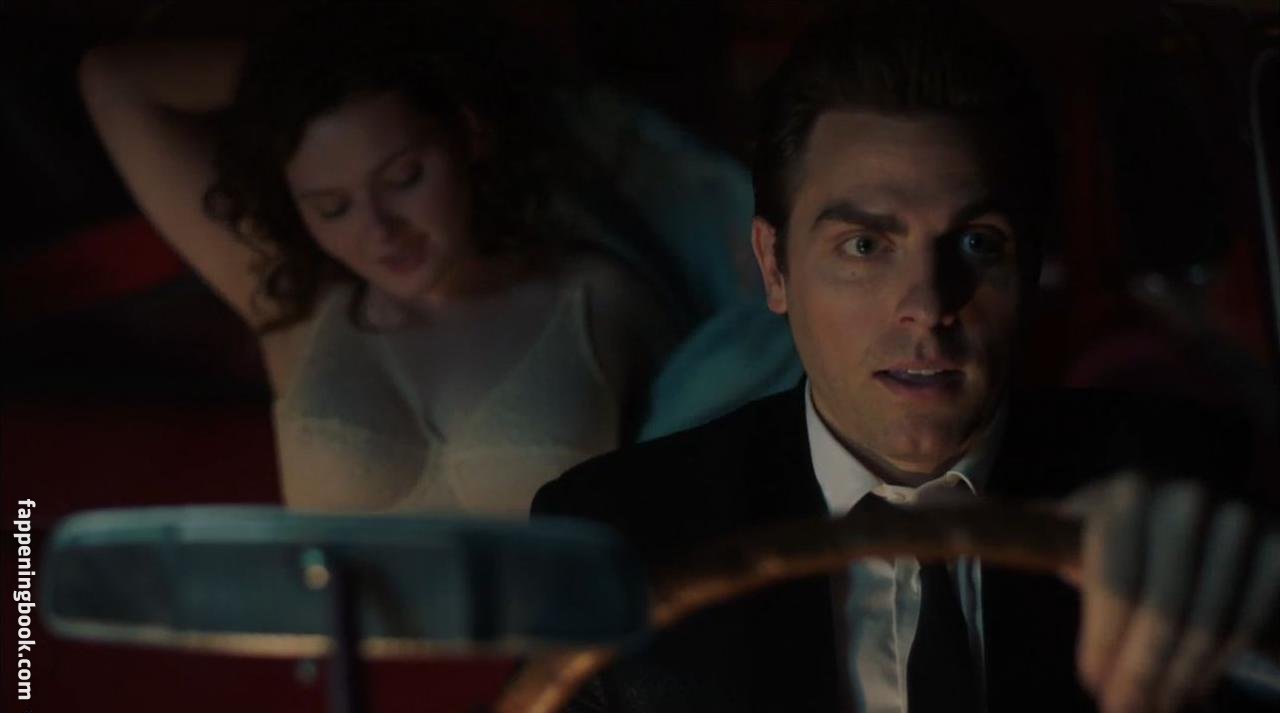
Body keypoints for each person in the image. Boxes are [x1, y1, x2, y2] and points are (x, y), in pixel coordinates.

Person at [532, 2, 1279, 712]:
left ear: (1030, 266)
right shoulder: (616, 539)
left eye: (977, 243)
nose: (926, 303)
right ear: (774, 266)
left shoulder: (1202, 486)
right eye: (865, 246)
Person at [78, 3, 675, 515]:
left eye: (403, 178)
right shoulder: (296, 302)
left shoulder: (599, 297)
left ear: (469, 135)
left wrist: (389, 67)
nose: (379, 231)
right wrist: (307, 75)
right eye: (332, 207)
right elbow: (115, 82)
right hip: (328, 621)